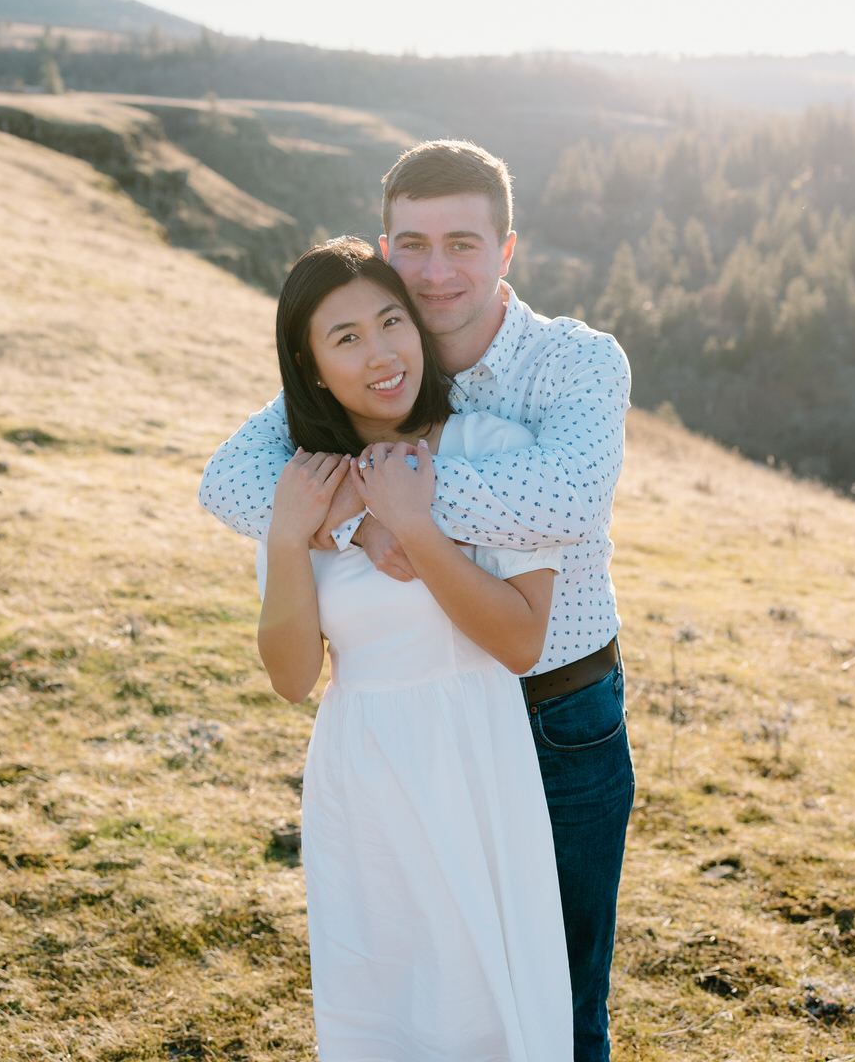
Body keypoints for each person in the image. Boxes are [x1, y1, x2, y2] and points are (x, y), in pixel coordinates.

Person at [200, 139, 634, 1062]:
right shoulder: (377, 342)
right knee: (410, 997)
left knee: (555, 1001)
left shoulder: (571, 363)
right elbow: (230, 479)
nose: (437, 271)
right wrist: (353, 516)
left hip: (557, 712)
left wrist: (397, 499)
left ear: (505, 249)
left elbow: (568, 500)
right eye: (413, 245)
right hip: (394, 747)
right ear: (385, 246)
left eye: (463, 244)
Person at [257, 236, 573, 1061]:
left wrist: (412, 525)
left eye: (391, 321)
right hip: (363, 773)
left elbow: (520, 641)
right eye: (347, 337)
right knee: (387, 1010)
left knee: (486, 1008)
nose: (381, 353)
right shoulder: (305, 487)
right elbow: (292, 678)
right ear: (311, 367)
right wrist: (290, 539)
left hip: (477, 760)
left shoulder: (496, 450)